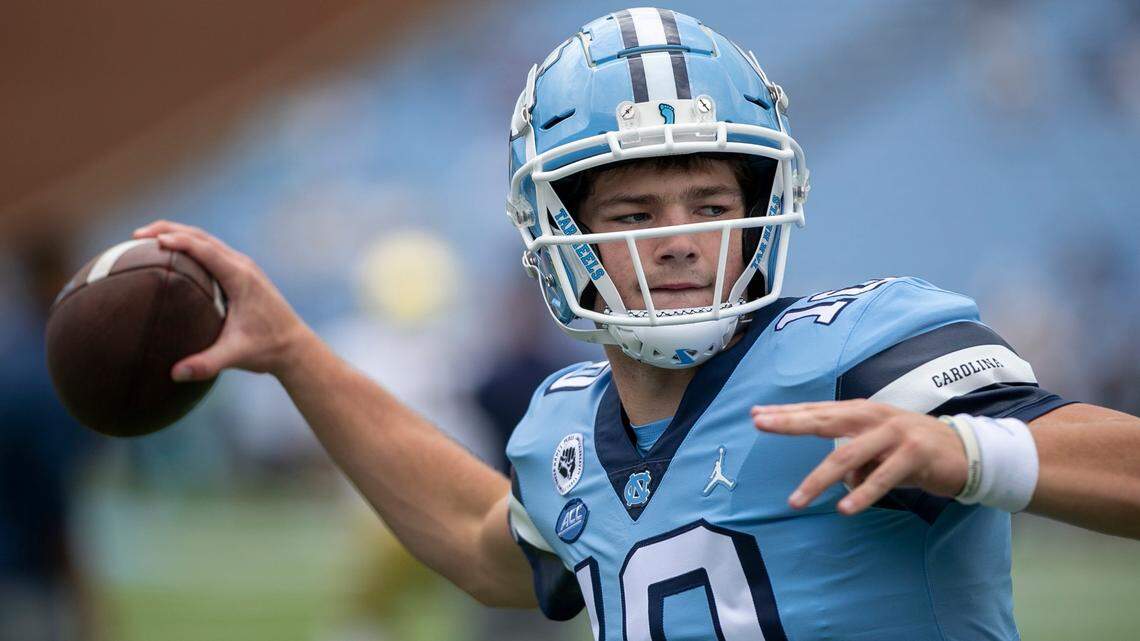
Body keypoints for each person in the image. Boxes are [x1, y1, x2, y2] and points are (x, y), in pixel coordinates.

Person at [131, 8, 1140, 640]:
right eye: (632, 215)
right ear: (563, 232)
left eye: (710, 201)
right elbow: (484, 546)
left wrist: (965, 448)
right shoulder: (561, 423)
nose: (681, 239)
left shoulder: (865, 347)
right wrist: (294, 354)